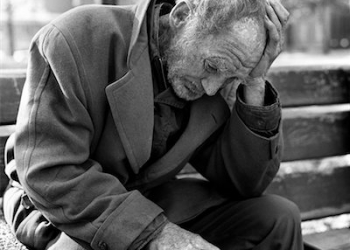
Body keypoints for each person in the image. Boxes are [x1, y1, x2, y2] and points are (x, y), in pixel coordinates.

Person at [2, 0, 303, 249]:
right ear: (182, 16)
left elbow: (244, 183)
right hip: (59, 207)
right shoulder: (77, 35)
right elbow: (51, 172)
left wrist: (253, 80)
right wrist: (157, 235)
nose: (213, 88)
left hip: (148, 202)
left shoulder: (221, 74)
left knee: (277, 217)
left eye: (229, 77)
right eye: (211, 67)